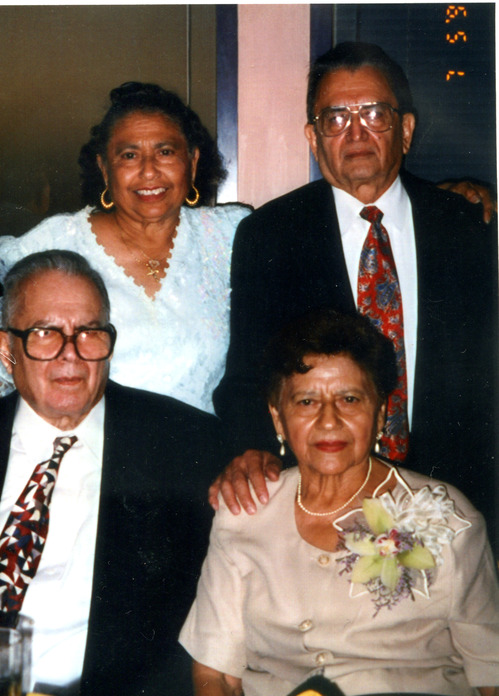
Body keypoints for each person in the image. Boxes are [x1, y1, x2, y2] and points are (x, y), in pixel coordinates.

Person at [211, 43, 498, 552]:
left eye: (374, 114)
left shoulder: (466, 227)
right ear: (313, 137)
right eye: (336, 117)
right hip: (324, 503)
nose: (356, 132)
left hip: (460, 500)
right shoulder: (270, 235)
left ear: (405, 129)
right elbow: (247, 376)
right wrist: (252, 450)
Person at [0, 250, 221, 696]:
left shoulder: (184, 445)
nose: (70, 355)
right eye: (46, 334)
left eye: (89, 333)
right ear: (7, 349)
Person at [181, 309, 499, 696]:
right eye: (307, 401)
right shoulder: (244, 510)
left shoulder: (447, 515)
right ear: (278, 417)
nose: (329, 420)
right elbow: (216, 673)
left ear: (381, 413)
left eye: (349, 399)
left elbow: (493, 673)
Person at [0, 81, 250, 443]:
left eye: (165, 152)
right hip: (92, 457)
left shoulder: (232, 235)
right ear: (104, 168)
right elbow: (10, 348)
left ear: (192, 161)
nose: (149, 171)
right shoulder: (56, 243)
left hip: (204, 457)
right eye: (128, 155)